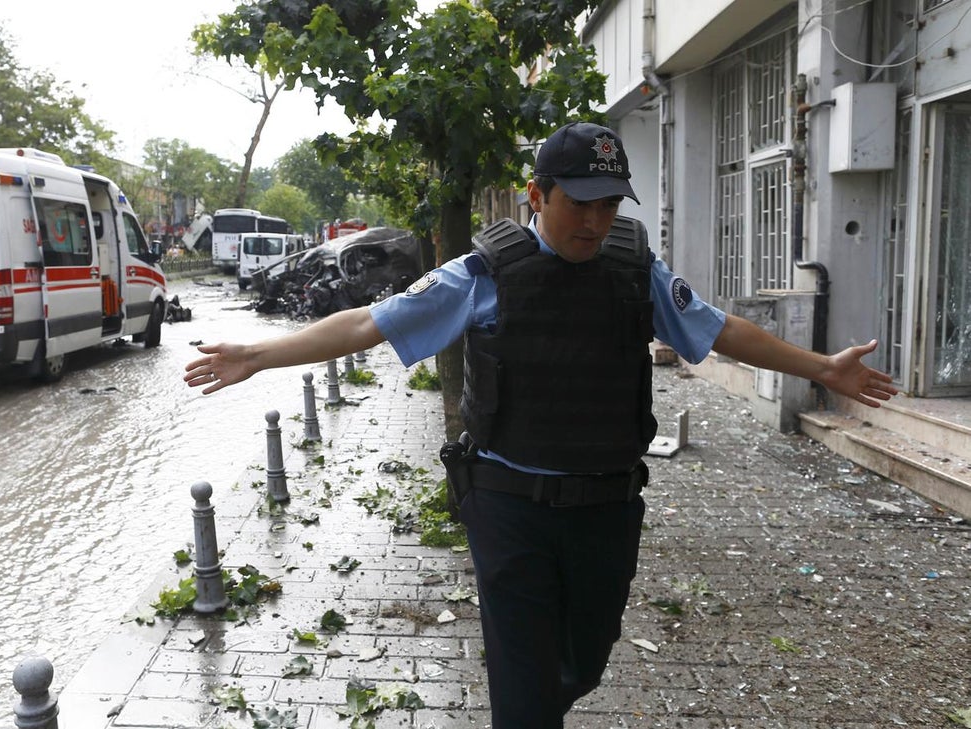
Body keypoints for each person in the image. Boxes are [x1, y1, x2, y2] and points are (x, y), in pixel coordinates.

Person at [183, 121, 898, 727]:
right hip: (510, 510)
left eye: (609, 204)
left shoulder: (633, 268)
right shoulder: (484, 273)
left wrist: (821, 368)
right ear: (538, 195)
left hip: (608, 510)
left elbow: (720, 329)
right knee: (524, 698)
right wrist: (259, 353)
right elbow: (371, 322)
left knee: (584, 661)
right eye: (579, 204)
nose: (594, 220)